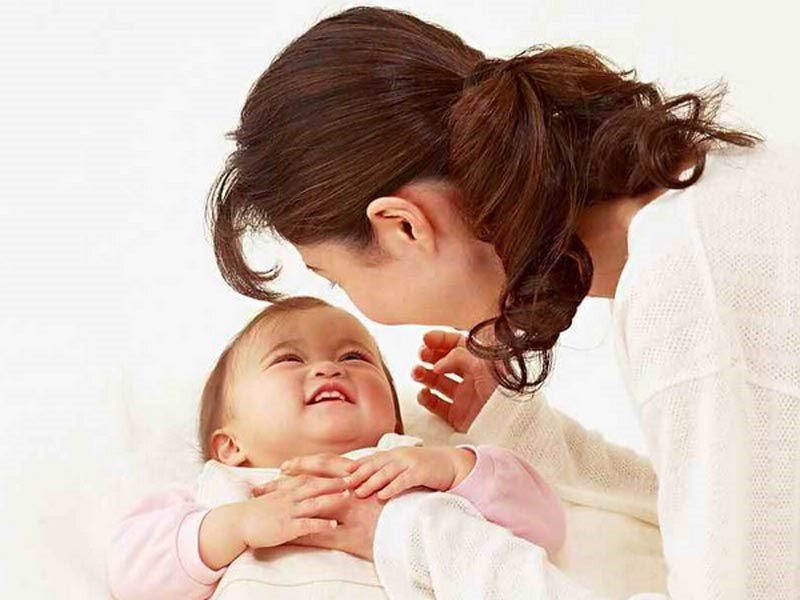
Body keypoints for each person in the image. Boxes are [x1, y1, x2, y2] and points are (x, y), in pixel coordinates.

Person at [204, 5, 800, 599]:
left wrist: (409, 535)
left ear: (404, 227)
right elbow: (730, 525)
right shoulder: (708, 210)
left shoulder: (692, 284)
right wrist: (529, 439)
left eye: (334, 278)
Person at [107, 296, 566, 600]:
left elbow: (544, 528)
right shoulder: (226, 492)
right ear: (230, 445)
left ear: (394, 420)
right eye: (289, 359)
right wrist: (236, 526)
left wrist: (453, 465)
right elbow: (132, 574)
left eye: (354, 357)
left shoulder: (411, 465)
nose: (329, 368)